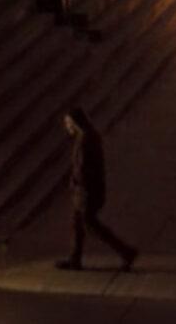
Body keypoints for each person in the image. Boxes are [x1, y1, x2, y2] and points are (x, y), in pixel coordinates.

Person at [58, 106, 138, 271]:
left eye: (68, 123)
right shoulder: (87, 136)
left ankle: (126, 252)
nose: (67, 126)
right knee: (77, 224)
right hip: (85, 191)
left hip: (87, 191)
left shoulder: (86, 139)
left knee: (90, 225)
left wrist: (76, 182)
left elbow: (84, 168)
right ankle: (75, 259)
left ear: (75, 123)